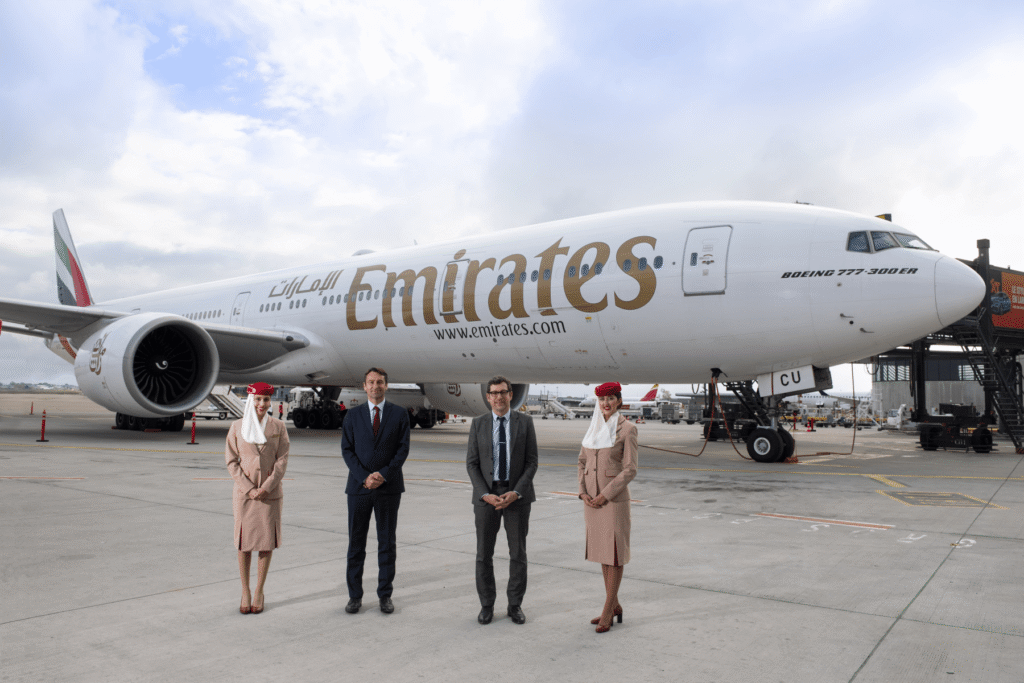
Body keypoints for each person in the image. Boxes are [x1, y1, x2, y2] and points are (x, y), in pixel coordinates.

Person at [466, 376, 538, 625]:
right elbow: (472, 464)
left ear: (510, 395)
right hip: (486, 497)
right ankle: (487, 605)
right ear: (488, 397)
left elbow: (532, 462)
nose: (498, 397)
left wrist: (516, 492)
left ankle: (514, 605)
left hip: (516, 496)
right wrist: (484, 493)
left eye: (503, 392)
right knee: (483, 555)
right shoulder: (478, 424)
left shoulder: (525, 423)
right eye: (493, 393)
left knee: (518, 553)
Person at [341, 367, 411, 614]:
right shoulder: (352, 415)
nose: (375, 386)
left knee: (386, 544)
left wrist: (383, 475)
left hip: (388, 488)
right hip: (359, 488)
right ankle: (354, 596)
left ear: (386, 386)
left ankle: (385, 595)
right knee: (356, 544)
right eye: (371, 382)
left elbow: (402, 450)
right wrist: (364, 477)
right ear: (364, 386)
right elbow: (347, 451)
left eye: (380, 382)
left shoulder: (399, 414)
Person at [225, 381, 290, 615]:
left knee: (265, 544)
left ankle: (260, 590)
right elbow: (232, 461)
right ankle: (245, 591)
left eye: (265, 400)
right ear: (250, 401)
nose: (262, 404)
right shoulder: (237, 427)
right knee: (243, 544)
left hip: (270, 495)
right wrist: (249, 488)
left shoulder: (279, 426)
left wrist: (268, 486)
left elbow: (282, 460)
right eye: (258, 399)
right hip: (245, 495)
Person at [577, 382, 637, 633]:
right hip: (591, 502)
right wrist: (583, 492)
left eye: (611, 398)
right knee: (603, 555)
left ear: (619, 401)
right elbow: (581, 462)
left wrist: (604, 495)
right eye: (602, 399)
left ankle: (607, 610)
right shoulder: (594, 427)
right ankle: (615, 605)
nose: (606, 403)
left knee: (614, 556)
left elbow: (630, 469)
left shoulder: (628, 429)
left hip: (612, 501)